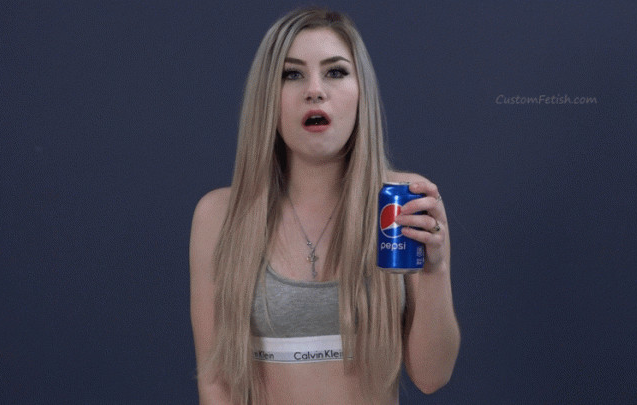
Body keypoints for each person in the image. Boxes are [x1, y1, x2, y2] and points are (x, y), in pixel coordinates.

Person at [189, 7, 459, 404]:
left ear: (361, 91)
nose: (315, 90)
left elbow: (431, 376)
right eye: (292, 74)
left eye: (335, 72)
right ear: (268, 97)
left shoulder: (404, 204)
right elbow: (216, 383)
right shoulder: (219, 216)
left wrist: (436, 269)